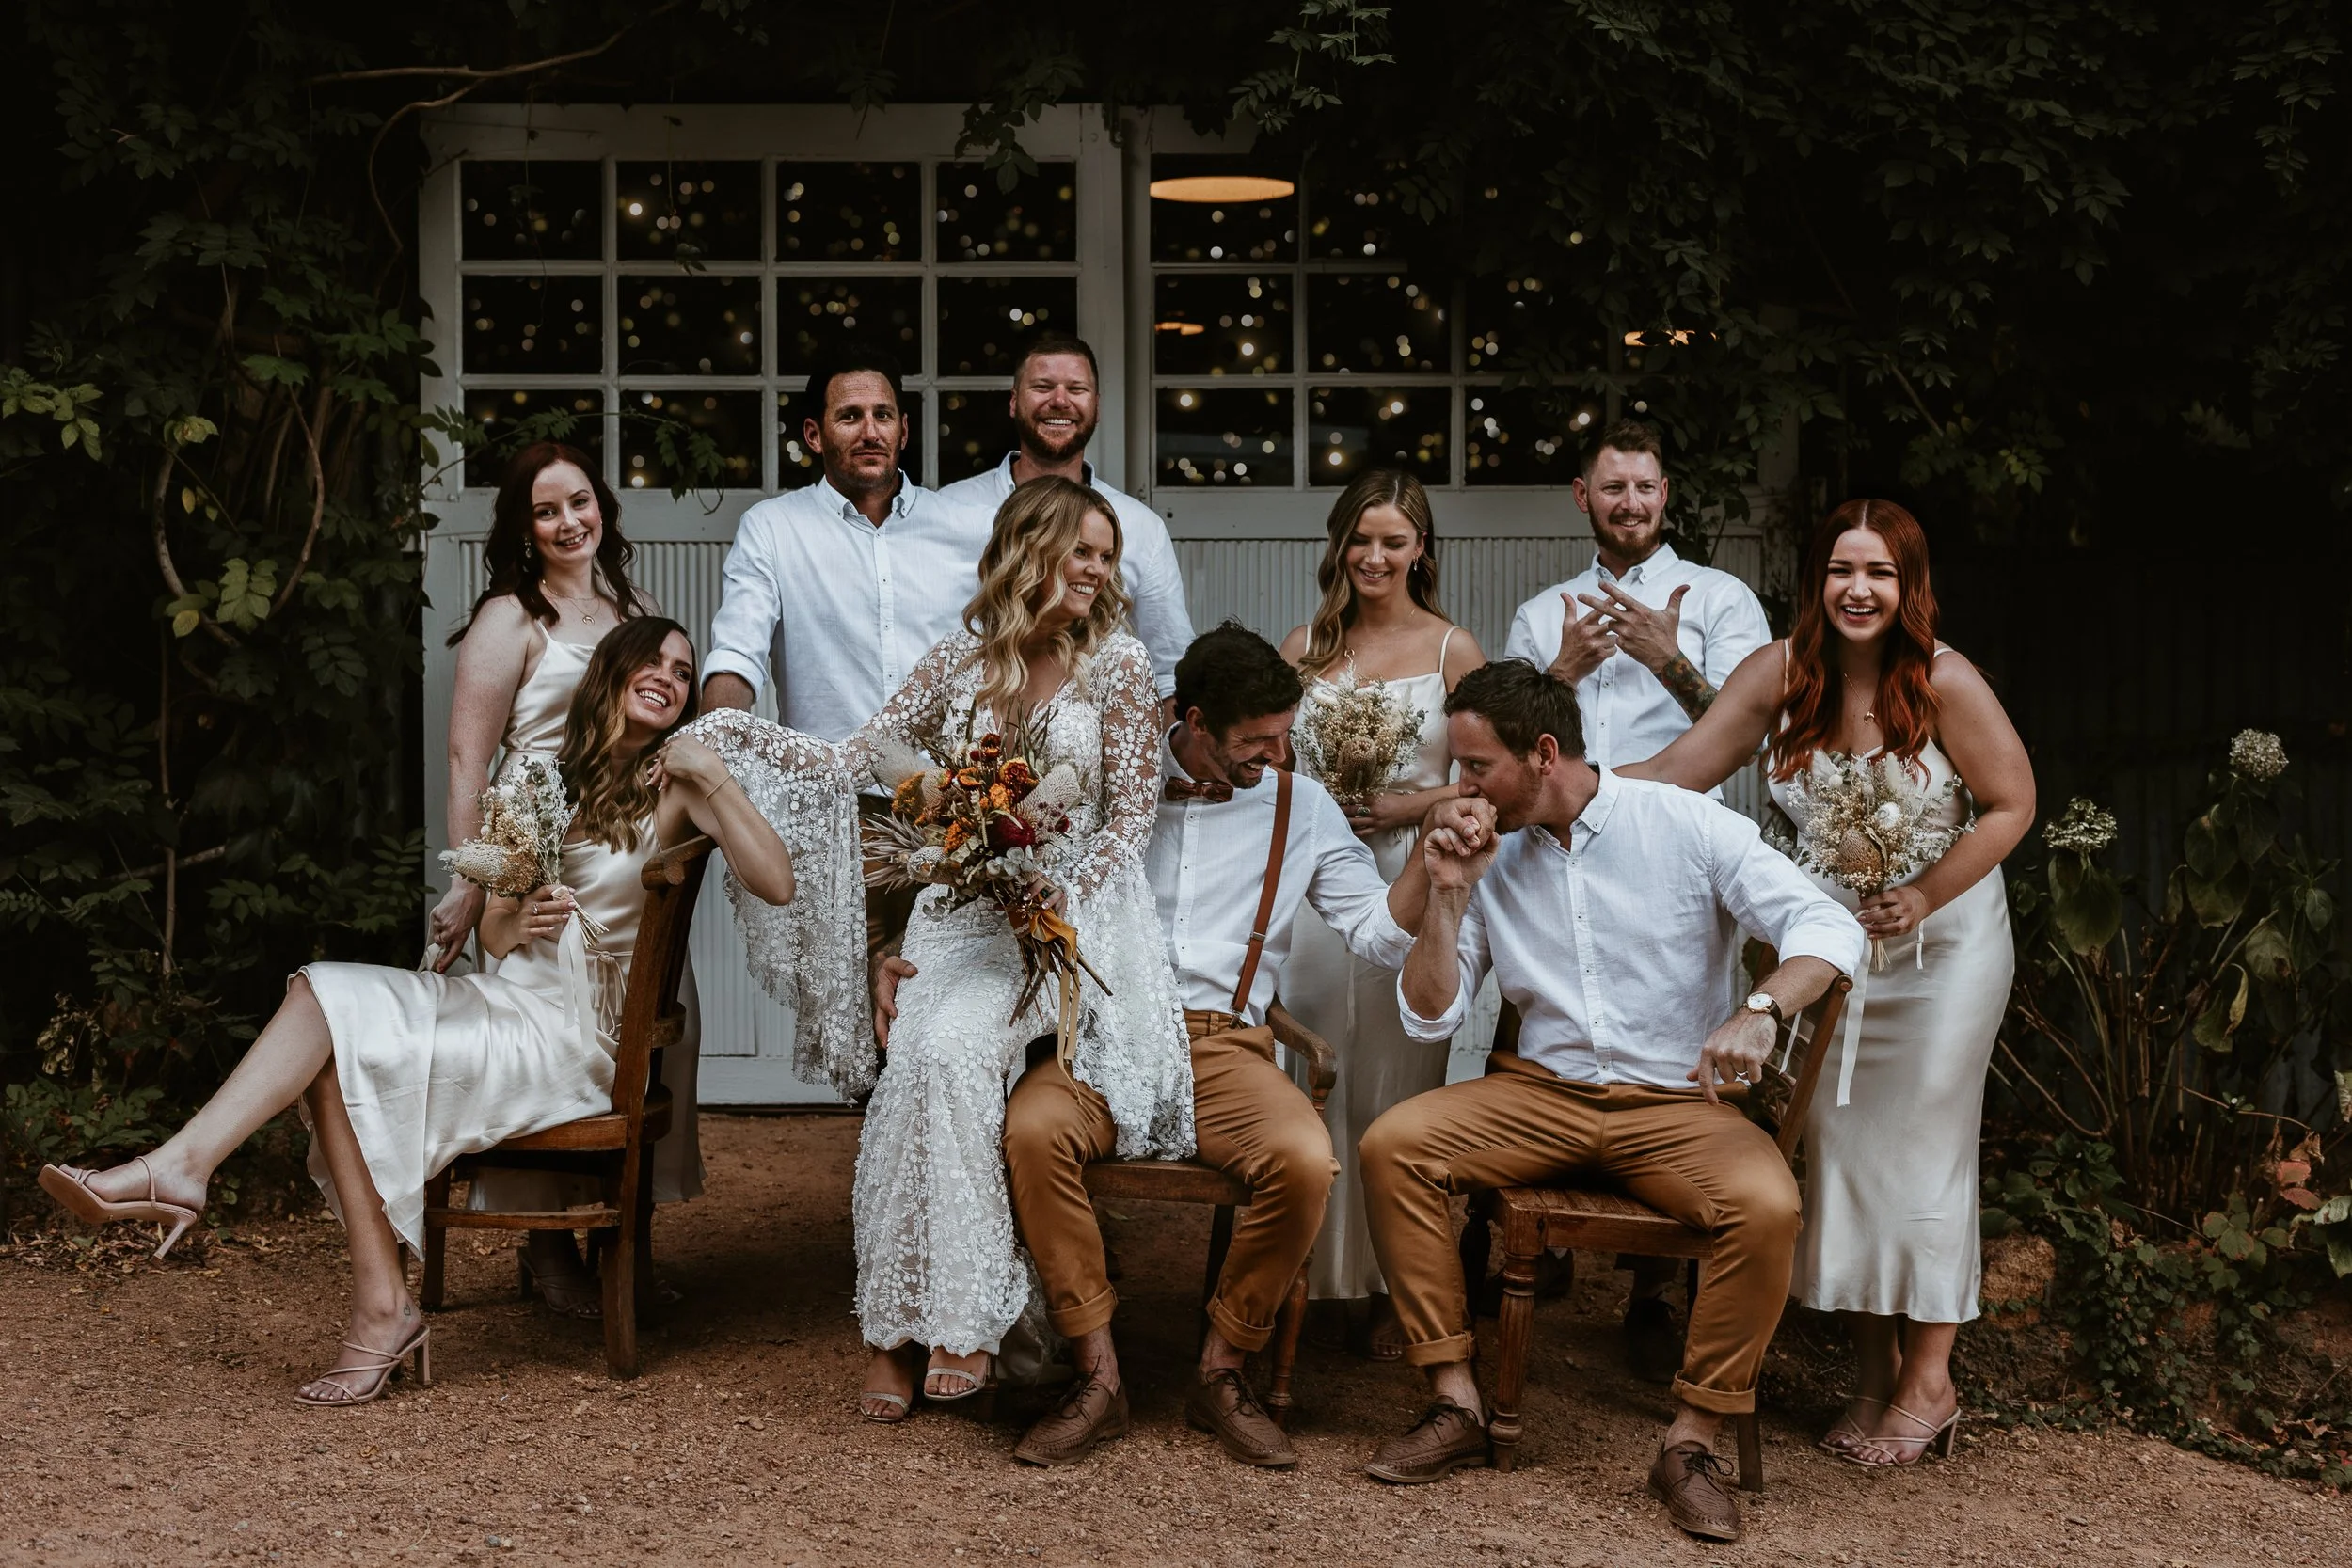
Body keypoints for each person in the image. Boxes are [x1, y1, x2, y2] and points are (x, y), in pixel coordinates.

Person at [37, 621, 798, 1405]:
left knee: (333, 1018)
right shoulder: (543, 781)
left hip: (576, 1041)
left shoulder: (676, 786)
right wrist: (521, 916)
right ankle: (319, 1261)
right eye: (655, 660)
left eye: (683, 671)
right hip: (507, 1002)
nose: (670, 678)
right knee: (320, 998)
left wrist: (712, 772)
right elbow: (497, 932)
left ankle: (226, 1200)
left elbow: (776, 882)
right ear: (611, 670)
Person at [1356, 660, 1862, 1544]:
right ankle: (1454, 1399)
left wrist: (1759, 1009)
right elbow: (1429, 1014)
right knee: (1394, 1144)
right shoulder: (1485, 854)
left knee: (1768, 1204)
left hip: (1677, 1106)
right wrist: (1444, 895)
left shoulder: (1684, 821)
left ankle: (1692, 1441)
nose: (1457, 788)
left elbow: (1830, 926)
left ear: (1543, 754)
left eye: (1476, 767)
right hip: (1539, 1095)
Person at [974, 623, 1491, 1469]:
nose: (1276, 756)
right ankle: (1096, 1373)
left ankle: (1222, 1368)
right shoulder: (1108, 784)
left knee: (1303, 1157)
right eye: (1256, 741)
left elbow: (1373, 930)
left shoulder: (1302, 805)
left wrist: (1425, 869)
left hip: (1224, 1048)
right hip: (1101, 1037)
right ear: (1196, 720)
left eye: (1284, 737)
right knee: (1031, 1134)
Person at [1623, 499, 2032, 1467]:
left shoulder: (1944, 679)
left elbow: (2013, 803)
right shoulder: (1778, 672)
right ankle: (1868, 1371)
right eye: (1842, 569)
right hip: (1826, 949)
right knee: (1842, 1146)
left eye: (1880, 572)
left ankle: (1930, 1382)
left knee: (1927, 1148)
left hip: (1944, 950)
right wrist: (1565, 781)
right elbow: (1683, 766)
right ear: (1815, 581)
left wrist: (1926, 891)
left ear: (1908, 586)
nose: (1859, 589)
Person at [839, 476, 1192, 1422]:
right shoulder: (961, 654)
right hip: (958, 905)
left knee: (955, 1055)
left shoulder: (1116, 663)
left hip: (1059, 915)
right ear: (1028, 548)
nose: (1097, 568)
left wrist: (1057, 883)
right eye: (1082, 549)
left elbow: (1128, 822)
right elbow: (873, 749)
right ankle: (891, 1325)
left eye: (1107, 555)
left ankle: (967, 1317)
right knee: (912, 1059)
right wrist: (935, 812)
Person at [1499, 418, 1773, 1375]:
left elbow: (1753, 733)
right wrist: (1563, 671)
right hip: (1554, 850)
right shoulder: (1543, 613)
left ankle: (1659, 1288)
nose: (1628, 502)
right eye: (1611, 487)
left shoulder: (1723, 601)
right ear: (1583, 495)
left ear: (1665, 495)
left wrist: (1666, 654)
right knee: (1550, 1024)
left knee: (1673, 1031)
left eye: (1643, 487)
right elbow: (1504, 735)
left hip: (1675, 853)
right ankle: (1539, 1221)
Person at [425, 441, 704, 1318]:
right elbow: (471, 757)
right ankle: (547, 1248)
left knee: (660, 1022)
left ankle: (629, 1234)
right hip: (536, 846)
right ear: (524, 528)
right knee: (542, 1038)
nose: (568, 522)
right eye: (546, 511)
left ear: (603, 507)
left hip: (626, 842)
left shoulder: (639, 607)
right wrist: (475, 880)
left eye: (580, 502)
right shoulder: (511, 619)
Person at [1274, 470, 1484, 1358]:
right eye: (1360, 540)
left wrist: (1413, 806)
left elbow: (1485, 773)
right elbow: (1270, 769)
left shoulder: (1452, 651)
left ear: (1420, 550)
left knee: (1399, 1090)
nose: (1374, 556)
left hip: (1415, 877)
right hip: (1322, 893)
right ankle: (1312, 1284)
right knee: (1317, 1081)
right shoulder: (1305, 647)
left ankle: (1400, 1286)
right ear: (1337, 545)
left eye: (1393, 541)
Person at [701, 341, 977, 962]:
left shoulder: (963, 530)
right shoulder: (774, 528)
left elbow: (1005, 656)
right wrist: (714, 750)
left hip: (956, 809)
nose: (870, 430)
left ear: (905, 429)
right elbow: (737, 654)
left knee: (942, 1002)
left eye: (883, 414)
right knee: (855, 1017)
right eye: (850, 416)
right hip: (836, 815)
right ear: (814, 433)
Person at [934, 331, 1195, 703]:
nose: (1060, 401)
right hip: (968, 741)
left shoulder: (1140, 526)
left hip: (1083, 745)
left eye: (1077, 389)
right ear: (1013, 402)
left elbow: (1171, 670)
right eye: (1042, 386)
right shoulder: (949, 508)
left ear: (1097, 406)